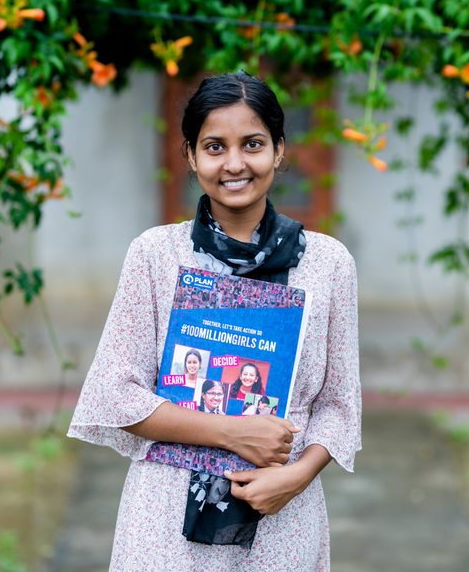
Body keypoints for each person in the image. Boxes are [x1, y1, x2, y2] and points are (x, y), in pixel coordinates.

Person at [67, 70, 361, 570]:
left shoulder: (327, 265)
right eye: (214, 146)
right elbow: (115, 395)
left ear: (279, 150)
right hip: (164, 518)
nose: (234, 163)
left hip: (282, 516)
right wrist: (230, 432)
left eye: (252, 143)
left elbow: (338, 405)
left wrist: (296, 477)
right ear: (189, 155)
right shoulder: (156, 255)